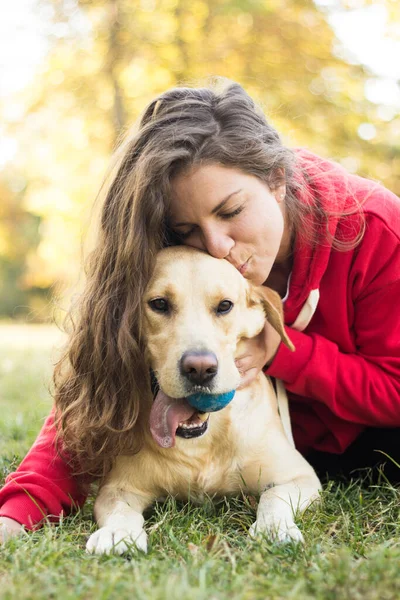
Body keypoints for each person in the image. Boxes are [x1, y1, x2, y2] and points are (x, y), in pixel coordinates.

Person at [1, 79, 400, 542]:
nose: (216, 246)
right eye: (188, 228)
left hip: (366, 443)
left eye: (231, 211)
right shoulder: (168, 255)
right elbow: (98, 377)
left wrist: (286, 352)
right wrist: (24, 504)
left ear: (277, 180)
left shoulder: (377, 231)